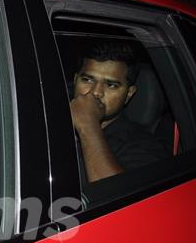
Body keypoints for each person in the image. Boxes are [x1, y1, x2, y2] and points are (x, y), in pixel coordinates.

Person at [70, 41, 169, 183]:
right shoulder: (47, 119)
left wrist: (87, 124)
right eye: (87, 80)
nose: (96, 92)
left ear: (129, 93)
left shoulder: (145, 146)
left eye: (111, 85)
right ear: (75, 81)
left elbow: (118, 197)